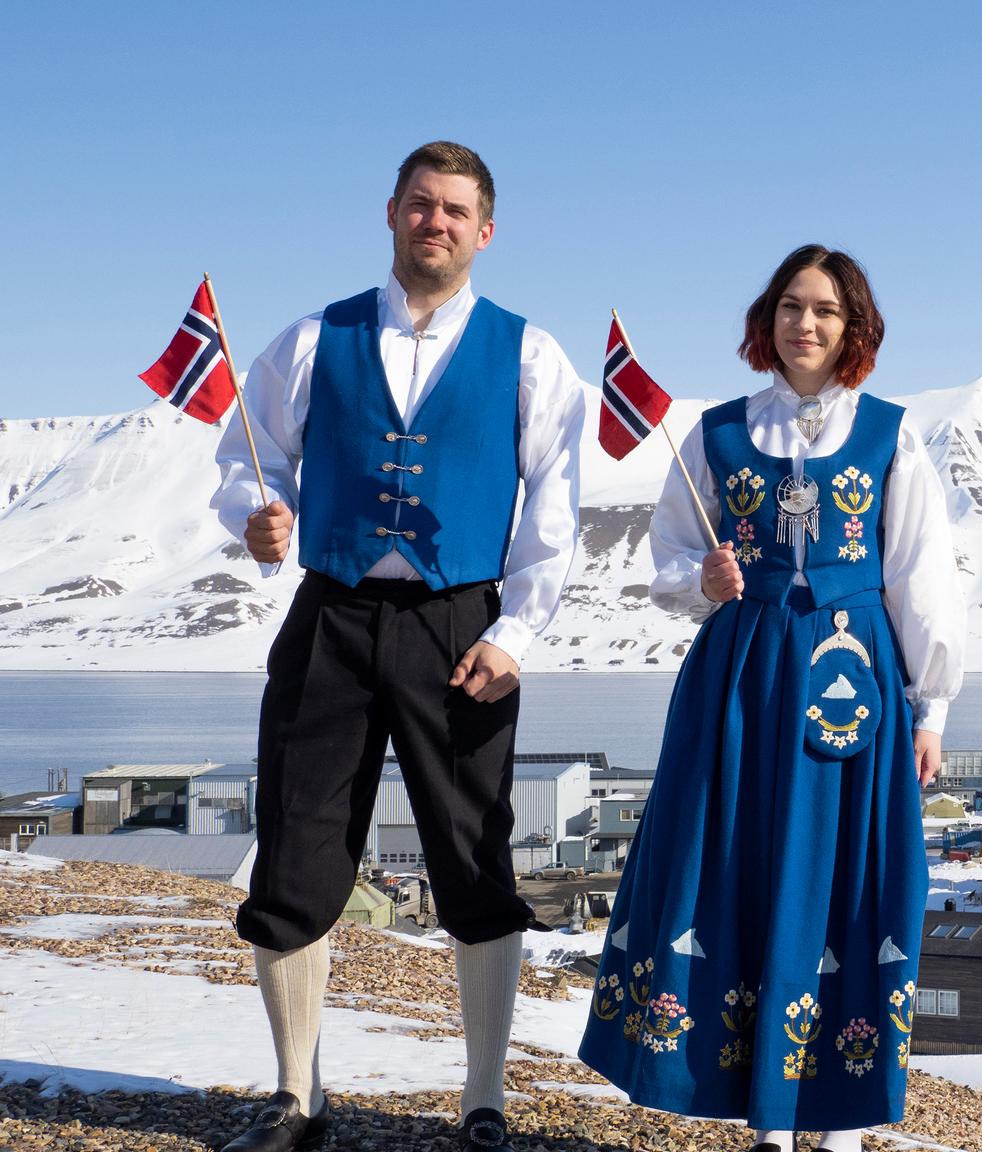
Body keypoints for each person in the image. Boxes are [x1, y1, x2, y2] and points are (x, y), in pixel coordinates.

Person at [210, 141, 585, 1152]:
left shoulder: (531, 354)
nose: (436, 223)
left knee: (474, 856)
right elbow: (248, 464)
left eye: (456, 210)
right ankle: (298, 1098)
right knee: (295, 845)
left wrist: (514, 636)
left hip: (461, 629)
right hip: (328, 617)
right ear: (390, 213)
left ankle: (483, 1099)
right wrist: (257, 514)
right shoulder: (310, 338)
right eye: (421, 205)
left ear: (485, 230)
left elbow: (555, 509)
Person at [579, 245, 965, 1152]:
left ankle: (837, 1121)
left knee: (842, 879)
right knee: (738, 868)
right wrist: (706, 582)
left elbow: (920, 577)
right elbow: (670, 562)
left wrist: (932, 708)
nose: (807, 323)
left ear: (853, 326)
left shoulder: (890, 434)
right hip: (740, 682)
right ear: (768, 318)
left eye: (826, 310)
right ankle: (762, 1116)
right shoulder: (713, 432)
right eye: (792, 305)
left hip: (851, 684)